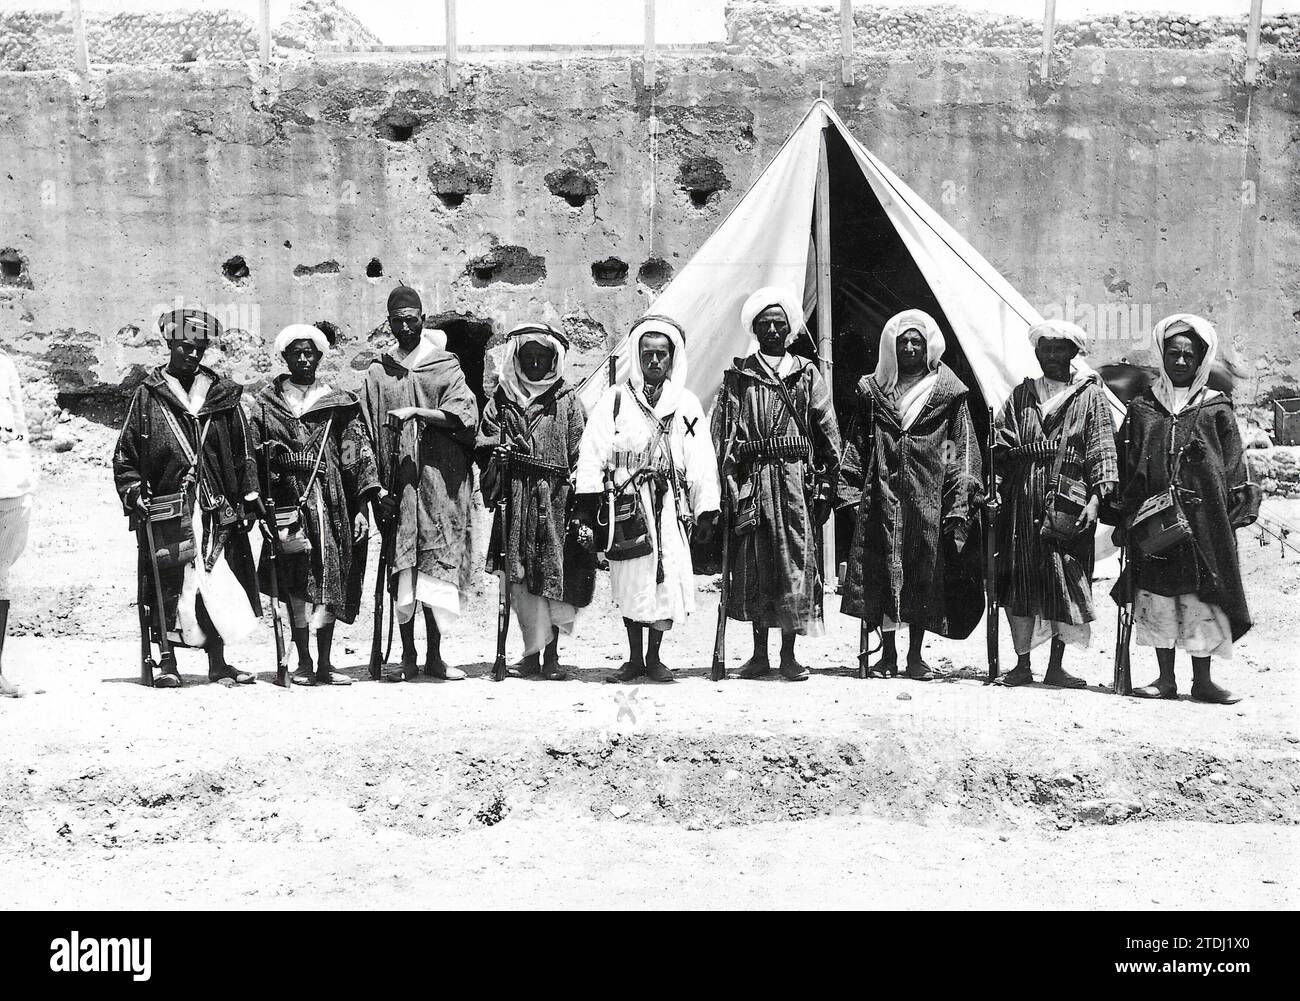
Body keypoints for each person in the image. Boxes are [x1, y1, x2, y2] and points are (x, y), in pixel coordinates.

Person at [112, 308, 262, 688]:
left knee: (216, 581)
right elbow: (125, 454)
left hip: (216, 509)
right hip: (169, 508)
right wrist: (133, 493)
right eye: (185, 347)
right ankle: (167, 662)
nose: (192, 355)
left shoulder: (222, 393)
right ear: (170, 346)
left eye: (199, 348)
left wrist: (249, 491)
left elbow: (244, 449)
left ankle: (218, 662)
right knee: (168, 582)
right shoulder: (149, 396)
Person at [1116, 314, 1258, 704]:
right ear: (1163, 356)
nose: (1180, 362)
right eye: (1173, 353)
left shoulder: (1216, 409)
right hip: (1156, 520)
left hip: (1203, 521)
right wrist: (1126, 512)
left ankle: (1203, 681)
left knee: (1200, 598)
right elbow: (1126, 460)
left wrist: (1232, 512)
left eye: (1188, 356)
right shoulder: (1144, 406)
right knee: (1160, 596)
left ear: (1201, 361)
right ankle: (1165, 679)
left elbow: (1232, 463)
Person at [838, 309, 983, 679]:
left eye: (916, 341)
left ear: (928, 345)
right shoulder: (876, 391)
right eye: (902, 341)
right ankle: (887, 655)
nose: (909, 347)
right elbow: (856, 444)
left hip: (926, 498)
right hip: (882, 494)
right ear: (892, 346)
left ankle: (915, 656)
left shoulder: (948, 395)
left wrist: (960, 496)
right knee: (883, 570)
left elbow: (959, 448)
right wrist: (851, 491)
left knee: (922, 573)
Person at [575, 316, 720, 683]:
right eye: (647, 354)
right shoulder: (616, 399)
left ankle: (654, 657)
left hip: (669, 507)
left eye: (661, 355)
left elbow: (701, 457)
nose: (654, 362)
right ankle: (634, 658)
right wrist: (587, 506)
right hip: (625, 503)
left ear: (672, 358)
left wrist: (706, 508)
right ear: (637, 357)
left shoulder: (685, 404)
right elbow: (592, 451)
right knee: (628, 576)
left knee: (665, 578)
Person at [710, 287, 841, 681]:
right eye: (764, 323)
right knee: (755, 564)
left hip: (795, 483)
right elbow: (723, 435)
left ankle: (789, 655)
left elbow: (828, 429)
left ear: (790, 329)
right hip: (753, 483)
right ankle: (758, 655)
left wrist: (828, 486)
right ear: (754, 328)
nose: (771, 329)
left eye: (778, 323)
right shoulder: (739, 377)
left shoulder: (807, 374)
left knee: (795, 564)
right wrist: (728, 482)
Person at [248, 323, 381, 686]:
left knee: (329, 577)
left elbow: (356, 454)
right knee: (295, 582)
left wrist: (361, 508)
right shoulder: (266, 404)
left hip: (333, 500)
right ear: (285, 358)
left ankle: (325, 661)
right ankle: (302, 660)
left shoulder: (339, 402)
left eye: (310, 353)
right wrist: (260, 504)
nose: (304, 359)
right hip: (288, 503)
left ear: (320, 357)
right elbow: (251, 456)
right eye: (296, 353)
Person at [360, 285, 478, 682]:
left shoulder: (445, 366)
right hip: (400, 487)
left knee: (434, 570)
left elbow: (466, 416)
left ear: (423, 320)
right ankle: (407, 656)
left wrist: (418, 412)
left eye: (412, 320)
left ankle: (435, 656)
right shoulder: (379, 373)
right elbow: (363, 430)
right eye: (398, 321)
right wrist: (374, 488)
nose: (405, 327)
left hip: (438, 487)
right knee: (403, 571)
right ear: (389, 324)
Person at [994, 319, 1118, 689]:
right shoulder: (1021, 394)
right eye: (1044, 349)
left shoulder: (1089, 396)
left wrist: (1096, 498)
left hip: (1071, 501)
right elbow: (1001, 442)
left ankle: (1056, 666)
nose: (1051, 356)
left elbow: (1102, 447)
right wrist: (997, 487)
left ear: (1072, 353)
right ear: (1037, 353)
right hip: (1022, 499)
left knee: (1065, 580)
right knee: (1021, 580)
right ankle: (1021, 664)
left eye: (1058, 349)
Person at [476, 322, 596, 679]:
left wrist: (578, 494)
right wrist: (497, 456)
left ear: (553, 359)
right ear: (516, 359)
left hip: (556, 501)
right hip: (515, 497)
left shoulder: (568, 400)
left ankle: (553, 656)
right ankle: (530, 654)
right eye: (527, 357)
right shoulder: (502, 399)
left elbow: (581, 450)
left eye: (541, 357)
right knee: (520, 579)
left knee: (553, 579)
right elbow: (484, 444)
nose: (534, 365)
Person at [0, 346, 35, 698]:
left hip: (9, 486)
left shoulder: (5, 364)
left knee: (0, 577)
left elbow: (20, 426)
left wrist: (23, 476)